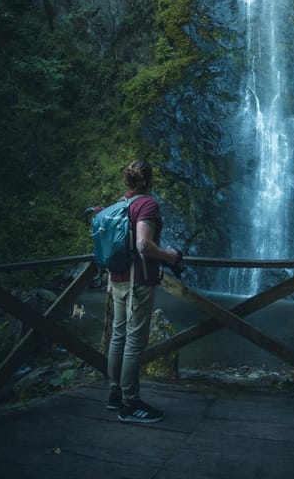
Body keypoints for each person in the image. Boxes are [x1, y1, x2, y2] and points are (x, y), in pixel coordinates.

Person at [106, 159, 180, 424]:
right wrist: (169, 257)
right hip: (139, 280)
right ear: (148, 181)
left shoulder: (120, 204)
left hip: (117, 279)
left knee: (118, 336)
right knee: (134, 342)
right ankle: (130, 403)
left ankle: (114, 394)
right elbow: (143, 245)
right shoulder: (146, 204)